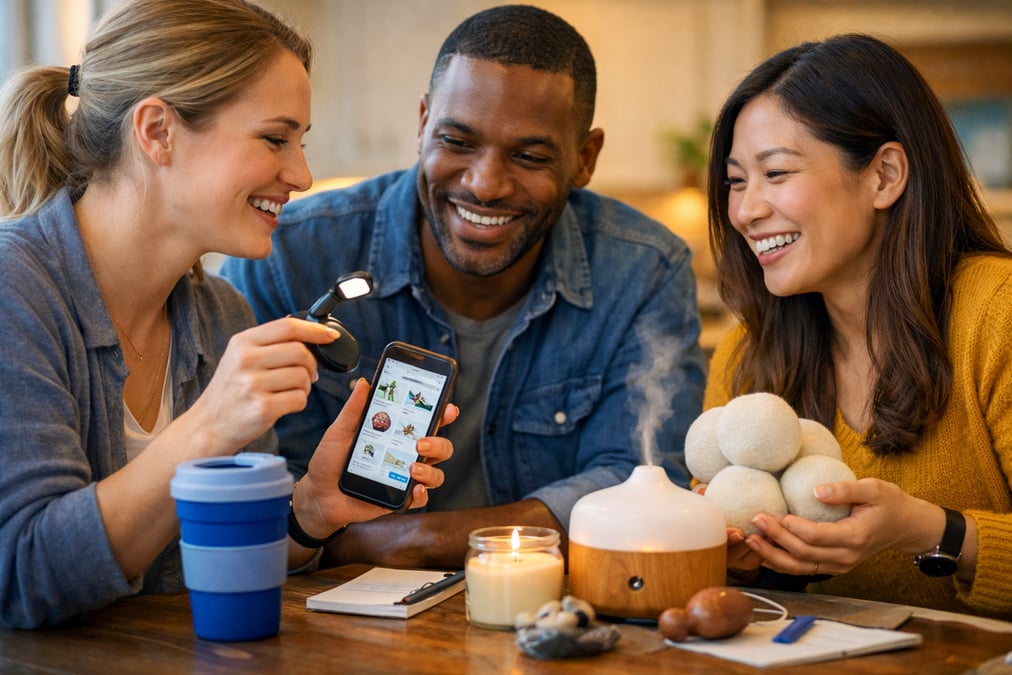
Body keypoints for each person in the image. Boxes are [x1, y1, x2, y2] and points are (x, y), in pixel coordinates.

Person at [0, 0, 455, 630]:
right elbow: (21, 576)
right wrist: (209, 425)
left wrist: (311, 509)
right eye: (274, 138)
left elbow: (221, 562)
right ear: (157, 131)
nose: (302, 174)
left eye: (301, 142)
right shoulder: (16, 289)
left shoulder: (221, 316)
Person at [222, 4, 707, 570]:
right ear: (423, 122)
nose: (485, 184)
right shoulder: (288, 257)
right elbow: (252, 487)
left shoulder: (645, 270)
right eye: (456, 141)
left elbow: (641, 481)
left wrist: (414, 541)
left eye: (529, 156)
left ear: (585, 158)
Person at [703, 33, 1012, 616]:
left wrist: (929, 530)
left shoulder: (998, 316)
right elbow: (749, 597)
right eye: (737, 181)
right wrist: (742, 556)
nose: (745, 210)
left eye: (776, 172)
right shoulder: (748, 352)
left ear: (884, 176)